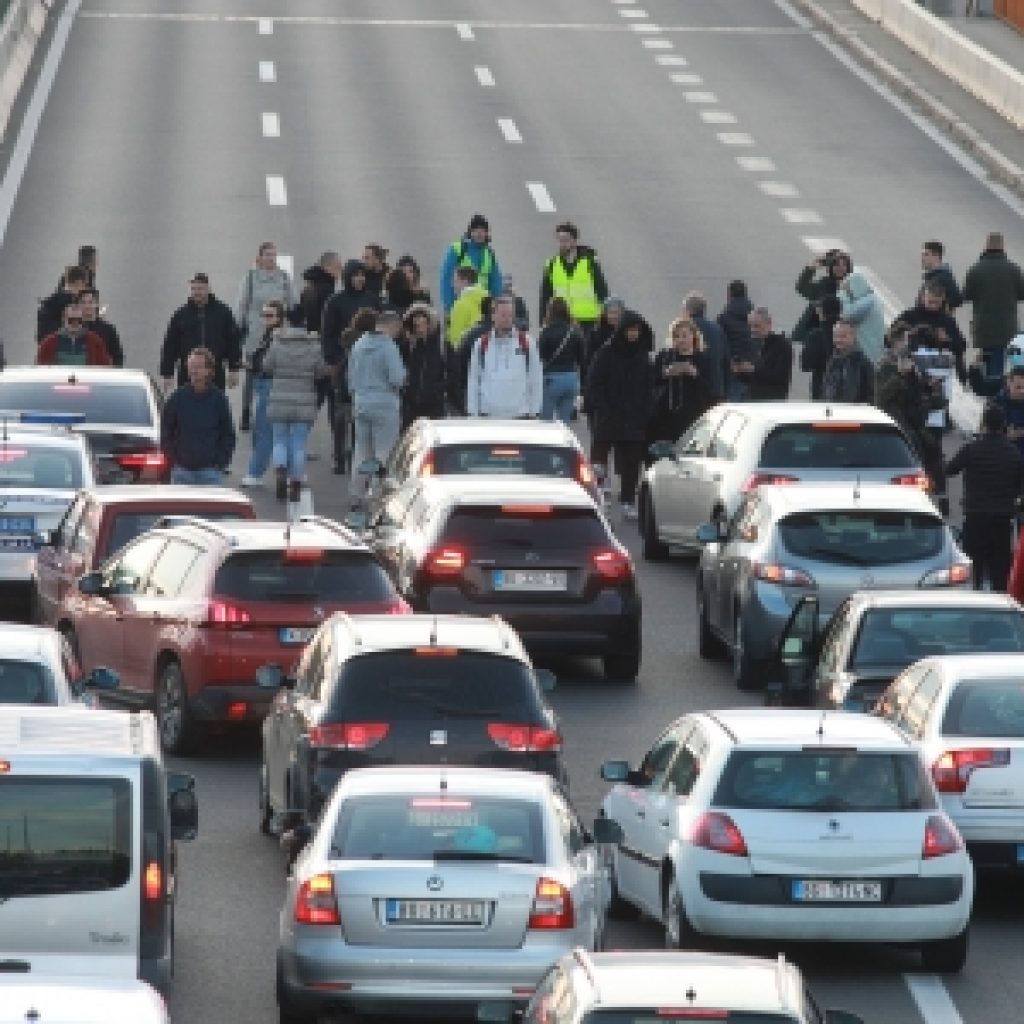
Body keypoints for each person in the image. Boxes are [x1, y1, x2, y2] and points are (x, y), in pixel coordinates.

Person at [585, 310, 655, 519]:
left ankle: (627, 501)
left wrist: (645, 410)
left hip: (634, 418)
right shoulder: (606, 353)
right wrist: (603, 407)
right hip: (609, 416)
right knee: (599, 460)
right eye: (630, 330)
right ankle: (597, 498)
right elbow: (594, 382)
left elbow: (650, 386)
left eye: (637, 330)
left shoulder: (643, 355)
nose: (633, 334)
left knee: (632, 462)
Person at [946, 403, 1024, 591]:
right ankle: (998, 602)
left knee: (973, 566)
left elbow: (950, 469)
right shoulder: (1014, 454)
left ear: (983, 424)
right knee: (1000, 566)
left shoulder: (972, 449)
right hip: (1002, 519)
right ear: (1004, 425)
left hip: (975, 515)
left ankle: (975, 600)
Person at [876, 322, 946, 500]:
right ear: (895, 342)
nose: (909, 346)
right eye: (905, 341)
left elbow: (926, 400)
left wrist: (932, 390)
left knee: (933, 464)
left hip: (918, 426)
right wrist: (899, 375)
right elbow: (881, 399)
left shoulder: (914, 365)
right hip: (900, 428)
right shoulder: (886, 367)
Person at [347, 310, 407, 504]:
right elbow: (397, 378)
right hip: (384, 403)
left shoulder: (359, 344)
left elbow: (350, 375)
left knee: (361, 450)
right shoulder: (389, 347)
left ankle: (356, 493)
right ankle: (376, 493)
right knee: (384, 451)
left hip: (361, 401)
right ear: (393, 325)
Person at [263, 324, 327, 503]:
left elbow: (266, 366)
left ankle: (281, 469)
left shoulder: (277, 345)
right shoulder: (314, 348)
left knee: (279, 440)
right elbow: (321, 372)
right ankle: (296, 481)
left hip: (279, 399)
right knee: (299, 443)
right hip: (304, 401)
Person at [235, 242, 296, 432]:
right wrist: (237, 331)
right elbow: (241, 305)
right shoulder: (251, 278)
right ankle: (246, 411)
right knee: (252, 374)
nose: (271, 258)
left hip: (278, 335)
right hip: (255, 334)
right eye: (267, 255)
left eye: (273, 255)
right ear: (259, 257)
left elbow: (292, 304)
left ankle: (273, 411)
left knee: (276, 374)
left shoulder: (283, 278)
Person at [160, 347, 236, 485]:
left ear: (209, 370)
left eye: (199, 367)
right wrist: (173, 460)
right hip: (181, 472)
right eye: (191, 366)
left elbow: (228, 434)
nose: (194, 371)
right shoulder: (177, 398)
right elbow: (166, 430)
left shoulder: (219, 400)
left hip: (210, 473)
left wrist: (220, 462)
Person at [160, 273, 241, 392]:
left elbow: (233, 340)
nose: (197, 292)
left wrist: (234, 369)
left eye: (200, 289)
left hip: (215, 371)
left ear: (208, 289)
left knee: (214, 406)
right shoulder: (181, 315)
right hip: (187, 373)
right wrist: (167, 374)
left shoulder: (223, 313)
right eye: (193, 289)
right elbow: (170, 345)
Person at [466, 296, 542, 419]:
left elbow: (536, 377)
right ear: (493, 315)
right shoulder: (481, 344)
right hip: (489, 416)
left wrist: (535, 411)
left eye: (510, 315)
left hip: (519, 416)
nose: (507, 319)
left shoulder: (527, 342)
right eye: (503, 314)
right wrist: (473, 413)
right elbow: (474, 379)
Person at [964, 232, 1024, 385]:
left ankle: (992, 395)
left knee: (990, 367)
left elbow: (966, 295)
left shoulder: (976, 270)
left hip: (984, 329)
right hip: (1008, 328)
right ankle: (1006, 391)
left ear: (986, 247)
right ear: (1003, 247)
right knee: (1009, 365)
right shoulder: (1014, 270)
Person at [538, 221, 609, 340]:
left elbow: (602, 290)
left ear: (574, 241)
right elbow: (546, 295)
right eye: (560, 240)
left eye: (566, 239)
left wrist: (607, 318)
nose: (562, 243)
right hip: (563, 320)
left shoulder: (589, 263)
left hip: (588, 320)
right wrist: (543, 321)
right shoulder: (552, 265)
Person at [240, 300, 284, 488]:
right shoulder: (269, 335)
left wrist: (253, 365)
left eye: (270, 315)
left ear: (280, 318)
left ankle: (255, 472)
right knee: (268, 432)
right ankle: (285, 471)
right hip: (264, 384)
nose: (266, 319)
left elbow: (270, 363)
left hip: (269, 385)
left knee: (264, 432)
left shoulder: (277, 337)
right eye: (264, 315)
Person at [648, 318, 712, 446]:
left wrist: (694, 373)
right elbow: (651, 380)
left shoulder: (702, 358)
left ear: (693, 336)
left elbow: (710, 389)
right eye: (677, 336)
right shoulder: (665, 356)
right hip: (666, 418)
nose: (681, 340)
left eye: (684, 336)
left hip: (693, 418)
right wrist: (666, 373)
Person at [896, 282, 968, 382]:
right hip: (910, 367)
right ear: (923, 297)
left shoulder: (947, 321)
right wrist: (905, 337)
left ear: (942, 300)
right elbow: (889, 338)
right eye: (930, 302)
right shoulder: (910, 316)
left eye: (937, 303)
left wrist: (947, 340)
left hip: (937, 369)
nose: (933, 306)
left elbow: (961, 346)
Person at [440, 214, 502, 313]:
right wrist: (449, 305)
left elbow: (496, 281)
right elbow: (446, 278)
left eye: (482, 231)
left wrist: (497, 304)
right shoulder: (457, 249)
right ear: (470, 232)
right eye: (475, 230)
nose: (479, 234)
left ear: (486, 233)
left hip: (483, 306)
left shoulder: (489, 253)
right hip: (460, 304)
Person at [399, 303, 447, 430]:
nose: (419, 329)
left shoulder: (442, 346)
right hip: (411, 405)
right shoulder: (406, 347)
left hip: (434, 405)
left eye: (422, 323)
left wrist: (438, 390)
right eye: (415, 325)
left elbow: (452, 374)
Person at [538, 297, 585, 423]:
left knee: (545, 422)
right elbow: (582, 360)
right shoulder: (574, 332)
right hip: (571, 378)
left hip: (552, 379)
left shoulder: (546, 332)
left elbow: (539, 357)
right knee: (565, 423)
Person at [732, 308, 792, 401]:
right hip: (755, 399)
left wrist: (752, 369)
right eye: (750, 326)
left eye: (756, 326)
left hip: (772, 402)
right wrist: (740, 372)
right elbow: (754, 378)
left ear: (769, 324)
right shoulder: (756, 344)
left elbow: (779, 376)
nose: (752, 330)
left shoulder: (782, 345)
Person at [793, 250, 850, 341]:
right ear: (829, 268)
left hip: (838, 336)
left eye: (844, 265)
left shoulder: (853, 285)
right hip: (812, 333)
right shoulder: (824, 284)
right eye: (836, 265)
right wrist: (812, 267)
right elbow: (802, 288)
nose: (840, 268)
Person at [682, 292, 726, 402]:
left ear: (688, 310)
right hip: (715, 388)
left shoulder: (683, 329)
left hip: (691, 391)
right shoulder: (717, 329)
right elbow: (725, 359)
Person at [37, 303, 112, 366]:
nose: (75, 324)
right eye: (71, 320)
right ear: (64, 319)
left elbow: (105, 366)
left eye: (78, 320)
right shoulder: (49, 342)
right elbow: (40, 367)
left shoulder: (95, 341)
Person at [821, 319, 875, 403]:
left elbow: (871, 394)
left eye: (843, 336)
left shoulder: (863, 363)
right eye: (836, 336)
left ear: (853, 335)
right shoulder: (833, 361)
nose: (838, 340)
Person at [838, 270, 885, 365]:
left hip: (870, 350)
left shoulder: (868, 301)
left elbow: (847, 314)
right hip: (869, 348)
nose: (848, 293)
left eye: (848, 290)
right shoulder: (869, 300)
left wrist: (843, 294)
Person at [801, 295, 841, 400]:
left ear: (823, 313)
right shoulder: (847, 333)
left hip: (821, 383)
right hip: (842, 384)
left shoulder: (815, 335)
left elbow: (805, 364)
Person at [37, 265, 88, 341]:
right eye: (84, 285)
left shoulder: (49, 303)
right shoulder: (72, 303)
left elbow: (41, 336)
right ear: (79, 283)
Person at [77, 288, 124, 366]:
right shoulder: (73, 329)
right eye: (83, 302)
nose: (87, 306)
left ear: (96, 304)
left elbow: (117, 357)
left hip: (101, 374)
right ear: (78, 305)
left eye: (90, 302)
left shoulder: (108, 330)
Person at [299, 251, 341, 333]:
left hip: (310, 335)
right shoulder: (327, 290)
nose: (340, 272)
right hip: (322, 337)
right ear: (327, 267)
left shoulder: (309, 286)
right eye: (338, 267)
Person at [717, 279, 754, 372]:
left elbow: (719, 342)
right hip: (752, 362)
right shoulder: (755, 316)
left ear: (730, 295)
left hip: (733, 365)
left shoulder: (724, 317)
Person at [447, 265, 487, 349]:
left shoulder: (460, 305)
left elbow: (455, 338)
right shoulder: (488, 299)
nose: (452, 285)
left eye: (455, 281)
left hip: (466, 354)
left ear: (464, 281)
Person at [992, 366, 1024, 460]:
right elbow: (985, 431)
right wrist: (1004, 433)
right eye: (1018, 387)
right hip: (1002, 459)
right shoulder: (997, 404)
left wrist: (1021, 432)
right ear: (1009, 383)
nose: (1022, 391)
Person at [921, 240, 962, 310]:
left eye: (926, 254)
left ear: (935, 256)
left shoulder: (943, 277)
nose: (922, 258)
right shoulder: (933, 276)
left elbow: (957, 299)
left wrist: (939, 307)